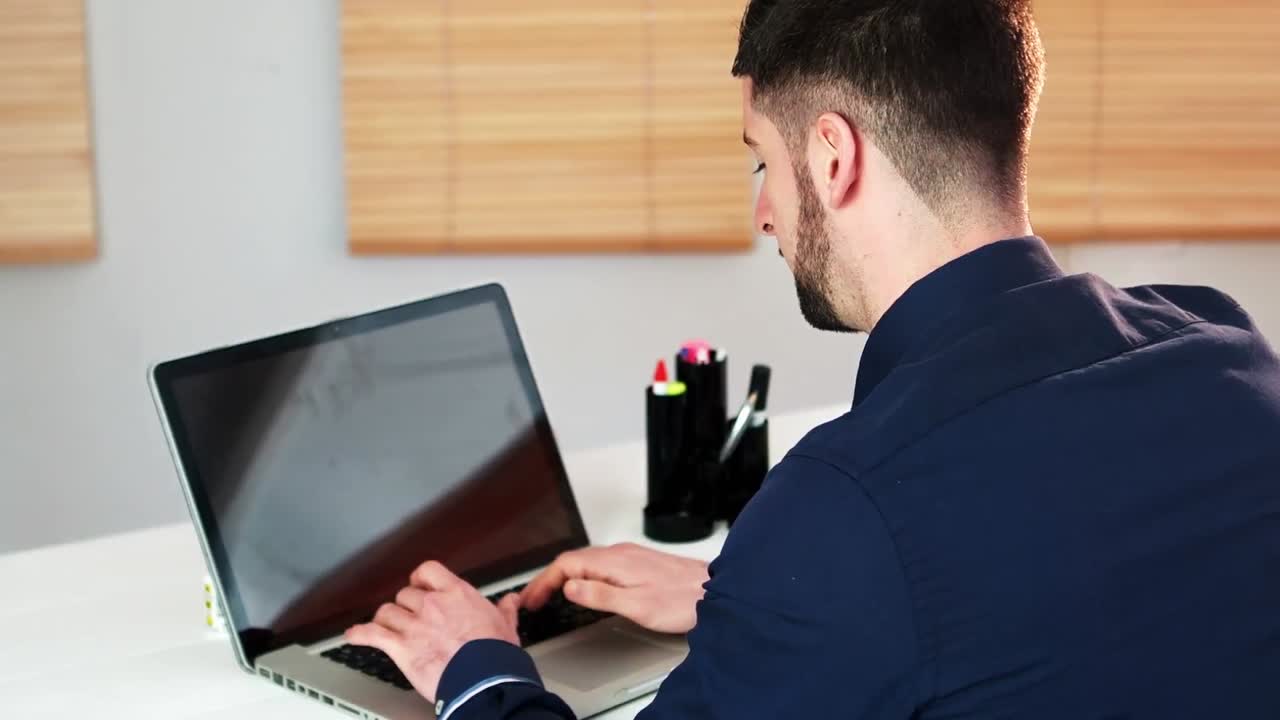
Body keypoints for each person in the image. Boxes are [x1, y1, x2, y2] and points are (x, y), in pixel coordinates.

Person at [345, 1, 1280, 717]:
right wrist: (743, 599)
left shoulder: (848, 505)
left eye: (762, 160)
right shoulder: (1226, 351)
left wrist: (476, 664)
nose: (761, 211)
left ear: (833, 157)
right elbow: (1050, 596)